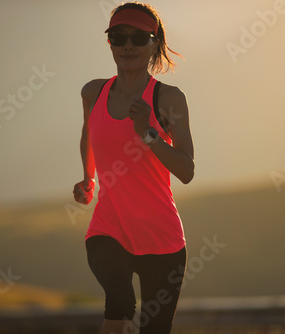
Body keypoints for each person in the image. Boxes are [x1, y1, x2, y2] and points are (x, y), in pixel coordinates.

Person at [73, 2, 194, 333]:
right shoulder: (93, 92)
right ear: (109, 42)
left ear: (154, 43)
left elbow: (186, 170)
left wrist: (149, 134)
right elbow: (89, 135)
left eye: (139, 38)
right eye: (118, 36)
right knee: (120, 302)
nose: (128, 45)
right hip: (108, 230)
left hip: (163, 240)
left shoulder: (168, 99)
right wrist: (88, 179)